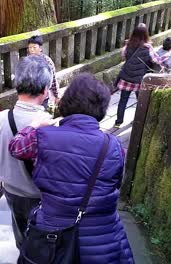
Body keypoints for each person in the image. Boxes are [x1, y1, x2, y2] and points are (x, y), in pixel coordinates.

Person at [9, 73, 134, 264]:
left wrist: (33, 125)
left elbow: (15, 147)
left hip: (54, 234)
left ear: (67, 103)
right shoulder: (115, 146)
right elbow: (117, 183)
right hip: (103, 238)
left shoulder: (43, 137)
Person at [0, 55, 52, 250]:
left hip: (12, 192)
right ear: (45, 90)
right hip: (41, 197)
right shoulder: (49, 125)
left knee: (21, 236)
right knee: (44, 241)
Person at [114, 26, 162, 128]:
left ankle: (118, 122)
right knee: (140, 100)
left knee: (123, 100)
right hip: (139, 80)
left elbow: (124, 57)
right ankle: (137, 120)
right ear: (145, 35)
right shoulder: (148, 48)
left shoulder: (127, 46)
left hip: (126, 78)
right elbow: (156, 60)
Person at [27, 35, 60, 108]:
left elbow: (53, 79)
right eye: (30, 47)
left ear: (40, 48)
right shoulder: (26, 61)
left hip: (43, 96)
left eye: (34, 47)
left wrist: (57, 95)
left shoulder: (47, 61)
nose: (32, 50)